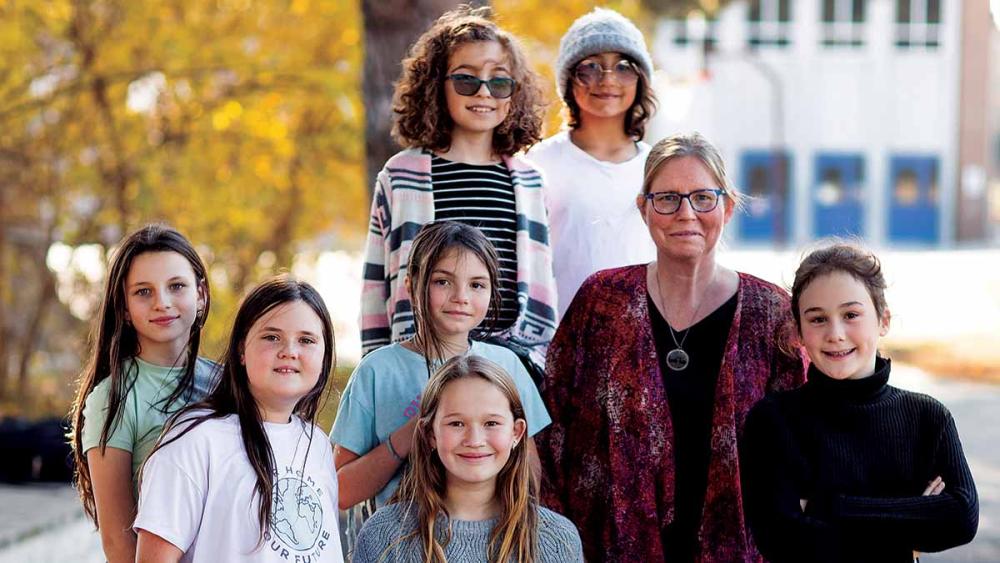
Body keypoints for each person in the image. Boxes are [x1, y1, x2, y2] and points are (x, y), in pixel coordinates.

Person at [536, 132, 808, 562]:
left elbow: (812, 431)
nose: (686, 213)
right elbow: (550, 428)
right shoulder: (602, 301)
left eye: (703, 197)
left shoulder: (770, 312)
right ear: (644, 209)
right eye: (667, 199)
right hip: (609, 549)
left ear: (728, 206)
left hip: (741, 550)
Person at [741, 243, 979, 562]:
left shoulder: (927, 416)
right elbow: (783, 540)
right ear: (798, 330)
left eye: (851, 314)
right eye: (817, 319)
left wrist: (826, 506)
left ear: (883, 320)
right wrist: (908, 525)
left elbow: (960, 519)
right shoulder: (774, 420)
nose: (835, 333)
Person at [359, 6, 557, 377]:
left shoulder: (530, 181)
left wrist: (537, 362)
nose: (483, 92)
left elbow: (543, 283)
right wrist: (378, 368)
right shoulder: (402, 175)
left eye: (499, 82)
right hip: (421, 361)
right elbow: (374, 284)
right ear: (438, 85)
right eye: (466, 80)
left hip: (509, 364)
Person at [332, 221, 550, 513]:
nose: (461, 296)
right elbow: (341, 492)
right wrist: (410, 435)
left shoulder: (507, 364)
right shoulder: (377, 372)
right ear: (410, 284)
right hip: (399, 547)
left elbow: (529, 476)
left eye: (476, 285)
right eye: (442, 281)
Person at [134, 277, 344, 562]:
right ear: (242, 349)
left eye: (306, 340)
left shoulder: (317, 444)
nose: (290, 351)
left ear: (324, 355)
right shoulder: (196, 438)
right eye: (272, 337)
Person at [69, 225, 215, 563]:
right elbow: (118, 544)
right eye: (143, 292)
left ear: (201, 294)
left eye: (176, 286)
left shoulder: (228, 383)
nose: (162, 303)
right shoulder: (114, 398)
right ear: (123, 307)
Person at [352, 355, 583, 562]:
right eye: (456, 423)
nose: (474, 440)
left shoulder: (557, 539)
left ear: (516, 433)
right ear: (431, 434)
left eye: (491, 423)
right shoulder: (384, 535)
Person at [528, 7, 658, 318]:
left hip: (643, 343)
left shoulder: (658, 168)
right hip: (558, 340)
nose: (607, 80)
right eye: (590, 67)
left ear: (640, 79)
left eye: (624, 66)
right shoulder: (537, 165)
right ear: (569, 80)